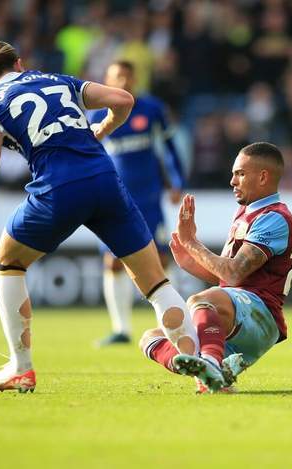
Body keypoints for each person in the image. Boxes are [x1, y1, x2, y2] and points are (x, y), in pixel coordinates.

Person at [0, 41, 199, 393]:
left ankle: (20, 367)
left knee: (8, 260)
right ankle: (202, 367)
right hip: (105, 179)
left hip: (57, 188)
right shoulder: (59, 81)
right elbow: (124, 100)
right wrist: (102, 130)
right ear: (19, 63)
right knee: (156, 282)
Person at [139, 142, 292, 393]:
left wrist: (193, 244)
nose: (232, 181)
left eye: (240, 173)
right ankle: (209, 374)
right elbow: (227, 280)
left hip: (260, 317)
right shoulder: (245, 213)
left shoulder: (274, 217)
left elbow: (233, 273)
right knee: (151, 338)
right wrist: (190, 261)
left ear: (263, 177)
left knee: (202, 300)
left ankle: (209, 364)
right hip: (235, 315)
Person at [89, 60, 184, 346]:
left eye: (128, 76)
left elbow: (169, 148)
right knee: (113, 261)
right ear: (107, 79)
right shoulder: (96, 113)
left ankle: (171, 324)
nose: (124, 81)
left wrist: (177, 181)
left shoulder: (152, 109)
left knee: (162, 258)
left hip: (149, 197)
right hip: (113, 197)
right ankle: (121, 329)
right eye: (118, 76)